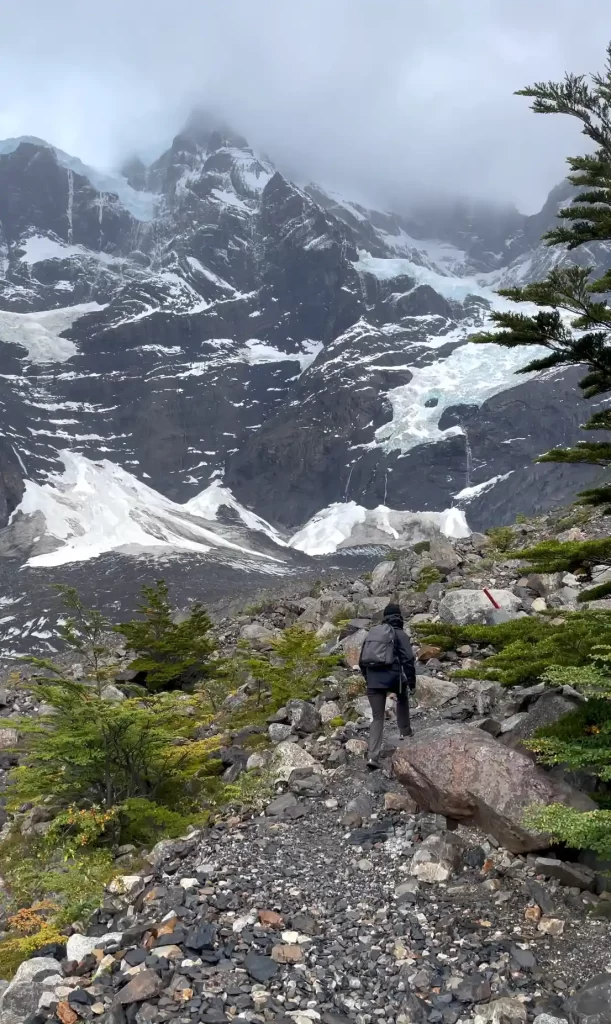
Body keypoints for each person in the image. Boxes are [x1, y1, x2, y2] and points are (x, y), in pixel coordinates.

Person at [358, 602, 416, 770]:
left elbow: (362, 660)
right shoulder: (401, 635)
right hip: (393, 679)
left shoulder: (373, 634)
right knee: (403, 696)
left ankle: (373, 757)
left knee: (377, 717)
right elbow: (408, 661)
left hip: (373, 681)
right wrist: (411, 683)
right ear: (399, 617)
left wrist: (368, 679)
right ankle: (406, 734)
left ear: (385, 617)